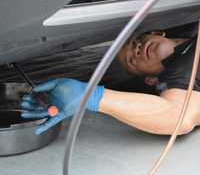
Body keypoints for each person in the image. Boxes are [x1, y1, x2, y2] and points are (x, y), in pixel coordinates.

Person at [21, 31, 200, 135]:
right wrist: (92, 96)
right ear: (151, 79)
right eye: (131, 60)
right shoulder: (180, 73)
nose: (136, 49)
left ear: (156, 33)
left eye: (137, 41)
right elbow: (179, 115)